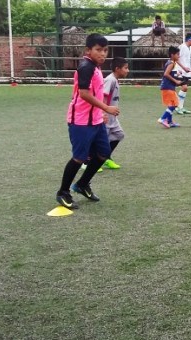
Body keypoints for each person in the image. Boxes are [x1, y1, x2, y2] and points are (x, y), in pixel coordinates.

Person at [54, 33, 119, 210]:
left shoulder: (96, 67)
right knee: (79, 157)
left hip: (95, 120)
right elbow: (84, 93)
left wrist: (100, 112)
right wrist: (106, 108)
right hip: (80, 121)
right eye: (98, 50)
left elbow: (94, 93)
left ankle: (82, 184)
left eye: (105, 50)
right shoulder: (86, 67)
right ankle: (63, 192)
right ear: (88, 50)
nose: (103, 54)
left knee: (103, 153)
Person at [100, 56, 129, 169]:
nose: (128, 70)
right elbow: (103, 97)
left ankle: (105, 157)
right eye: (125, 68)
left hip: (112, 117)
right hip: (106, 116)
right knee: (101, 141)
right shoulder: (110, 80)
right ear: (117, 69)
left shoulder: (115, 80)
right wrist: (104, 113)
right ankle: (89, 162)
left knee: (119, 135)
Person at [158, 46, 186, 128]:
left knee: (172, 104)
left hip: (168, 86)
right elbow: (166, 74)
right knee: (174, 104)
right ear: (172, 55)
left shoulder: (171, 62)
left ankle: (169, 121)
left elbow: (169, 74)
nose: (179, 56)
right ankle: (163, 118)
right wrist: (176, 81)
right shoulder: (171, 63)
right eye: (177, 54)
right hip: (167, 86)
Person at [174, 33, 191, 115]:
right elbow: (177, 59)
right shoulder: (182, 47)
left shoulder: (188, 48)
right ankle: (177, 106)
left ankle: (180, 107)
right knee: (184, 87)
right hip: (180, 71)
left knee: (185, 88)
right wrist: (183, 68)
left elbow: (186, 61)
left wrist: (190, 69)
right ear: (190, 40)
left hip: (185, 72)